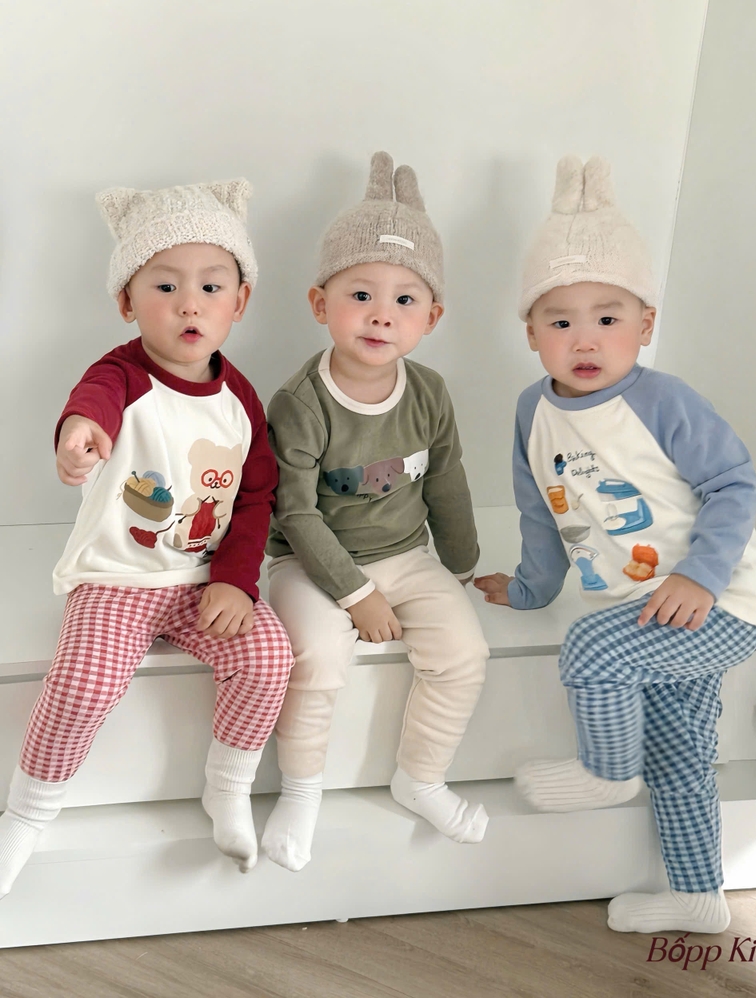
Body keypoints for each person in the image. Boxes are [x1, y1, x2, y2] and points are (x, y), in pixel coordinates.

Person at [475, 155, 756, 934]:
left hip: (716, 602)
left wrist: (701, 577)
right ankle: (698, 896)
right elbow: (541, 512)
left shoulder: (664, 401)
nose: (584, 338)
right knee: (679, 756)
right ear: (530, 333)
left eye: (607, 319)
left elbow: (733, 484)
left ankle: (607, 773)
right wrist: (529, 588)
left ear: (644, 325)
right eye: (559, 321)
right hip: (643, 609)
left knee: (591, 649)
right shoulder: (531, 411)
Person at [0, 180, 293, 899]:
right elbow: (92, 404)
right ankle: (27, 814)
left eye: (210, 287)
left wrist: (235, 580)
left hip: (200, 583)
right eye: (165, 286)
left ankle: (227, 787)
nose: (189, 304)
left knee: (268, 657)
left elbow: (255, 496)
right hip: (119, 578)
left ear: (239, 302)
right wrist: (80, 435)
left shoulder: (240, 400)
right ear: (127, 302)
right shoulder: (122, 374)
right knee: (84, 684)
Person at [263, 152, 490, 871]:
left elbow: (446, 480)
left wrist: (461, 567)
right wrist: (355, 594)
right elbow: (296, 513)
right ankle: (301, 791)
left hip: (405, 554)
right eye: (360, 294)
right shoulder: (300, 404)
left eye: (404, 300)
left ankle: (420, 778)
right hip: (309, 563)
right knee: (316, 657)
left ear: (432, 317)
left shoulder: (429, 392)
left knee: (464, 653)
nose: (381, 315)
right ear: (319, 303)